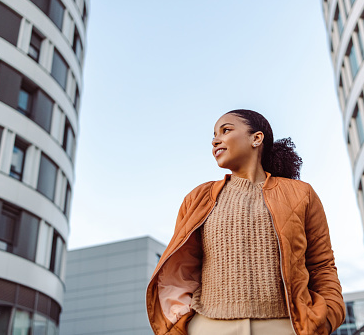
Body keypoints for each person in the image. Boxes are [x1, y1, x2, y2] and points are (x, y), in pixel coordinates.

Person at [146, 110, 345, 335]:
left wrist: (328, 316)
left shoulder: (301, 193)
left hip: (285, 327)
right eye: (213, 135)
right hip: (208, 326)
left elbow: (322, 265)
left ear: (256, 138)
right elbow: (184, 270)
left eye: (226, 130)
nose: (215, 140)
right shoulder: (197, 198)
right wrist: (186, 324)